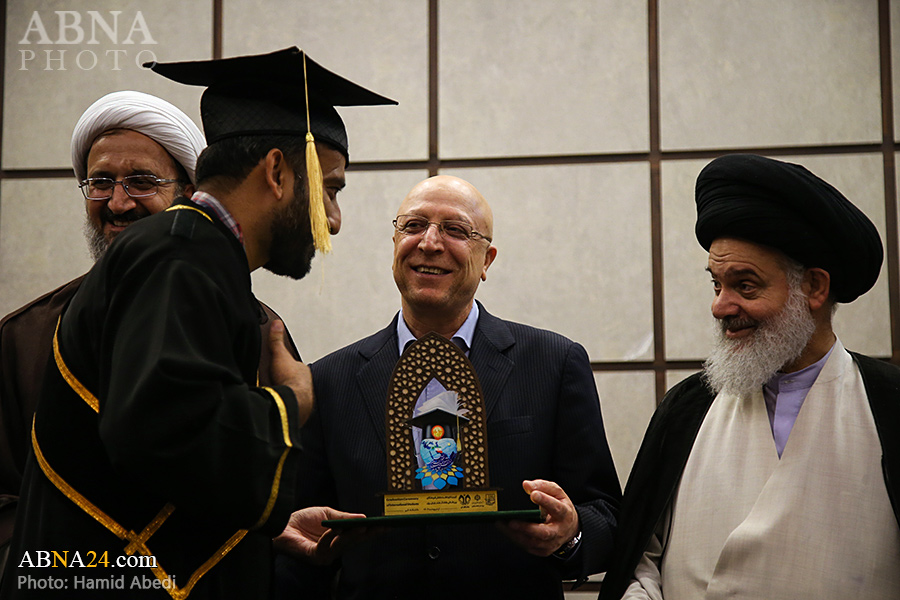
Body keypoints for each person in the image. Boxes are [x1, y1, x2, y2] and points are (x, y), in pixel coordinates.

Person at [0, 47, 395, 599]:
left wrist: (270, 526)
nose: (333, 219)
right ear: (277, 172)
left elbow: (156, 480)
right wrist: (289, 403)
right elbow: (162, 431)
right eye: (329, 187)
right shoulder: (177, 256)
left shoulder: (196, 257)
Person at [275, 175, 621, 599]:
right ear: (394, 243)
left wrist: (570, 534)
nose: (429, 243)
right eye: (413, 226)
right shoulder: (330, 380)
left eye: (455, 230)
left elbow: (606, 515)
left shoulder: (554, 363)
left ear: (487, 260)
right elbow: (300, 537)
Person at [599, 154, 900, 600]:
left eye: (745, 285)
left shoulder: (889, 405)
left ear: (814, 287)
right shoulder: (688, 407)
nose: (720, 306)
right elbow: (641, 564)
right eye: (716, 284)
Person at [0, 90, 205, 575]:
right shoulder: (22, 339)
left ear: (189, 195)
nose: (118, 202)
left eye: (141, 182)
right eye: (101, 182)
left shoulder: (252, 329)